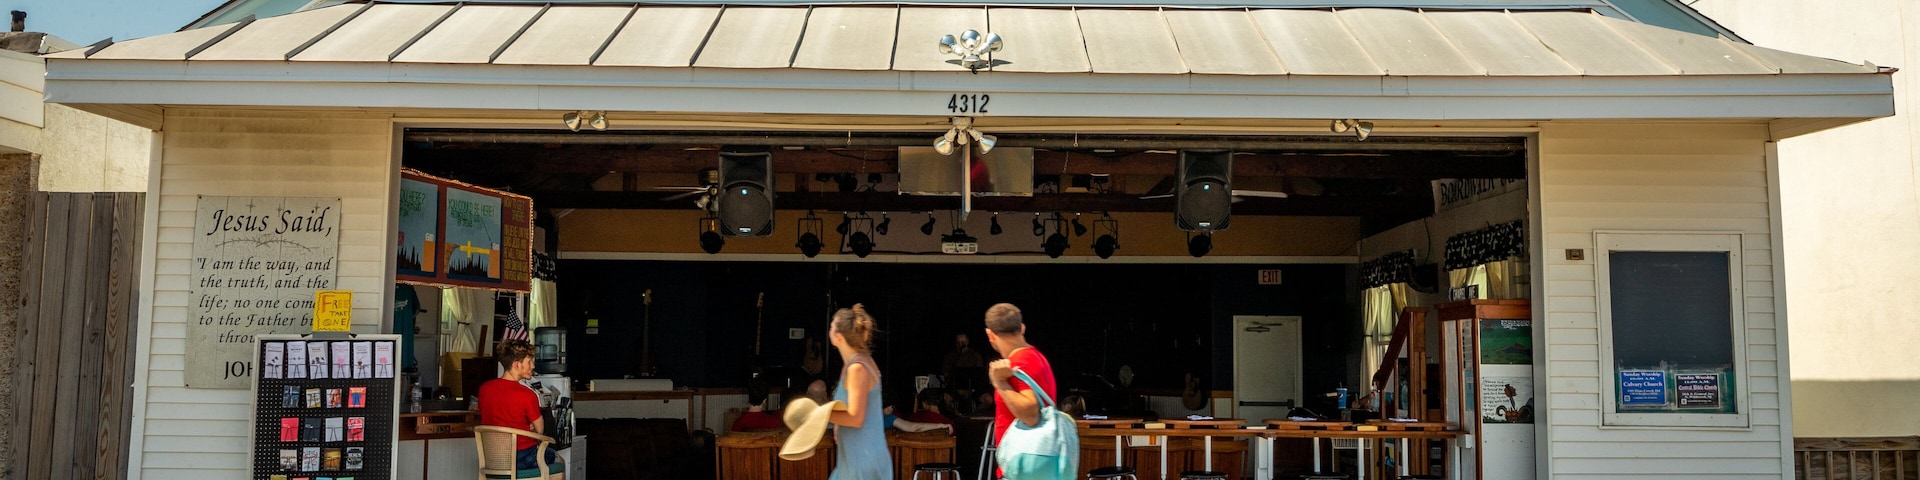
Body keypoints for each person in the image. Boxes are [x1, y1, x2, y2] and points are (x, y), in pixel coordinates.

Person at [824, 304, 891, 479]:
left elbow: (856, 418)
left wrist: (822, 414)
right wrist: (838, 423)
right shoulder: (853, 365)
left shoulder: (857, 369)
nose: (829, 329)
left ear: (838, 337)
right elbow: (849, 406)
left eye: (832, 326)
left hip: (864, 459)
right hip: (853, 458)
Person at [477, 339, 561, 471]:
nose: (533, 366)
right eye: (529, 362)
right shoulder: (527, 394)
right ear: (516, 365)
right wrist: (530, 427)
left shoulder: (485, 389)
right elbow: (540, 430)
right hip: (522, 456)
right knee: (558, 460)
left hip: (492, 458)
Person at [983, 303, 1057, 447]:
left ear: (990, 334)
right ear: (1022, 328)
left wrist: (999, 382)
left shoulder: (1021, 362)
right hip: (1033, 458)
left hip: (1025, 462)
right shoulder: (1035, 357)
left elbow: (1030, 417)